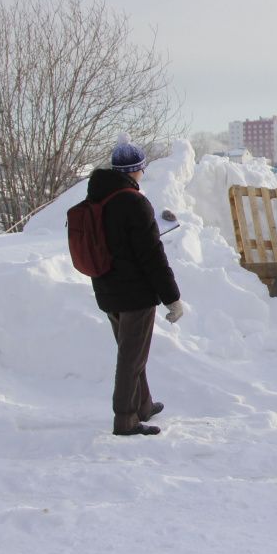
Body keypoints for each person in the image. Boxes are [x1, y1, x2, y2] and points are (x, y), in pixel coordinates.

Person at [86, 135, 183, 436]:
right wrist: (173, 298)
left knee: (132, 352)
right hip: (135, 295)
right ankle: (126, 419)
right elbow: (152, 255)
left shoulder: (96, 199)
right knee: (131, 358)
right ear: (135, 170)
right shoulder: (134, 203)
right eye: (142, 168)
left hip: (107, 290)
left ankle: (144, 405)